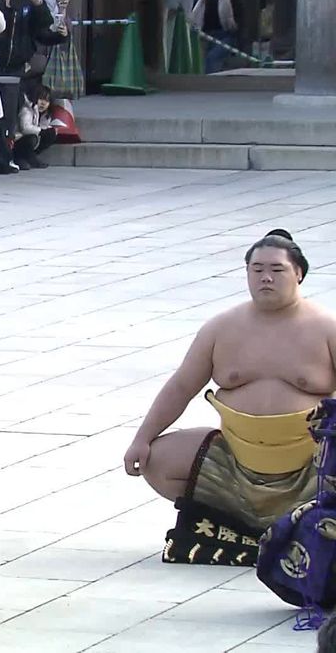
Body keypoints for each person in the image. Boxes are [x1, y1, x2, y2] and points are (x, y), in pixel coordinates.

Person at [124, 230, 333, 564]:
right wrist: (142, 438)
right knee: (159, 460)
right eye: (257, 269)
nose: (266, 277)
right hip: (236, 461)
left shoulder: (328, 328)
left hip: (311, 462)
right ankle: (244, 528)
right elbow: (181, 387)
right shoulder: (221, 328)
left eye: (277, 270)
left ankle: (305, 525)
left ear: (299, 273)